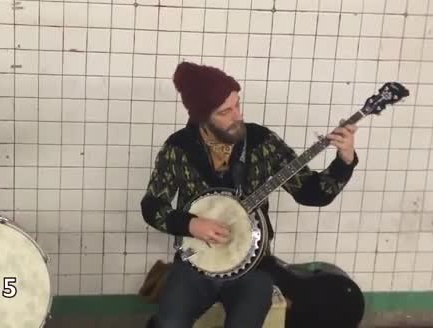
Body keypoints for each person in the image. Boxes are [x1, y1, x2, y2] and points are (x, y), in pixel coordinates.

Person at [141, 61, 359, 328]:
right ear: (202, 116)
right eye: (225, 111)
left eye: (237, 105)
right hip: (195, 264)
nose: (237, 115)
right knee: (168, 324)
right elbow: (152, 206)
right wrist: (191, 224)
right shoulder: (178, 148)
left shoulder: (261, 142)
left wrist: (344, 160)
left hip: (254, 268)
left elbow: (313, 193)